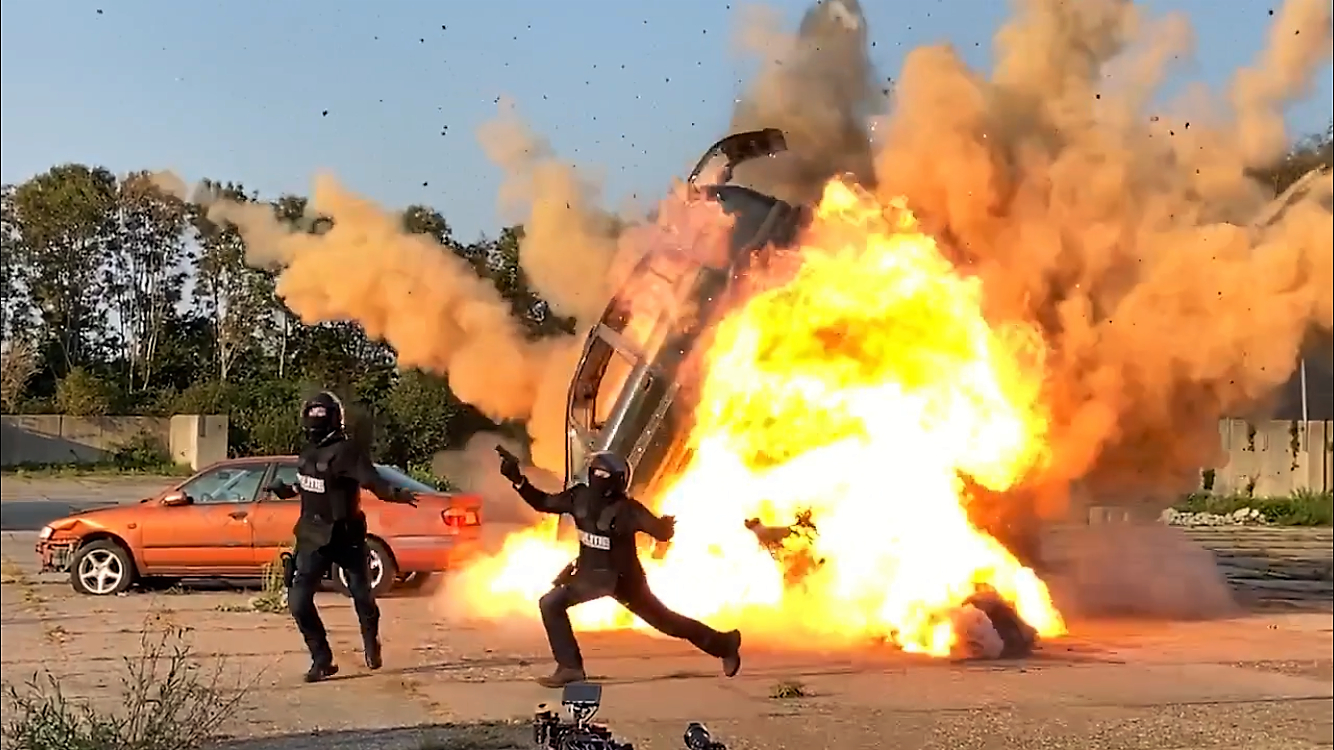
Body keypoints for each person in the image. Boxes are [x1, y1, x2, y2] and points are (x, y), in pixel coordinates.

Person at [497, 446, 743, 688]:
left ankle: (725, 644)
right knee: (550, 603)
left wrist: (665, 527)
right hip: (590, 576)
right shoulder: (578, 497)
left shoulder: (628, 510)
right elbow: (543, 502)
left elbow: (659, 532)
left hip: (626, 581)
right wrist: (518, 480)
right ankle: (570, 668)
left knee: (669, 624)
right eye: (596, 473)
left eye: (603, 475)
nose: (598, 479)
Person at [268, 391, 418, 682]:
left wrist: (396, 494)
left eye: (321, 414)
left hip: (345, 535)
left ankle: (371, 642)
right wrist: (284, 490)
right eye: (312, 414)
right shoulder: (308, 452)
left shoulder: (347, 452)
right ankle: (322, 659)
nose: (315, 420)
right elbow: (307, 487)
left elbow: (373, 481)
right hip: (312, 535)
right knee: (298, 601)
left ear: (334, 418)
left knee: (362, 596)